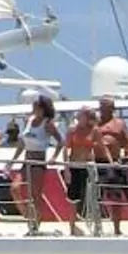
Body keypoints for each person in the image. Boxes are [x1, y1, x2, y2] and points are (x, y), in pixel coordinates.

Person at [91, 96, 128, 234]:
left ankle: (117, 228)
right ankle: (97, 227)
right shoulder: (95, 123)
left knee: (115, 195)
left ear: (111, 108)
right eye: (101, 106)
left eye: (105, 106)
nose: (102, 109)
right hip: (96, 162)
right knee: (95, 195)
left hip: (113, 162)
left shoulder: (119, 123)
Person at [16, 93, 63, 230]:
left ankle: (35, 223)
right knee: (15, 188)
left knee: (35, 195)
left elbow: (60, 141)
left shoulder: (48, 124)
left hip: (38, 161)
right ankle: (28, 216)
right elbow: (22, 142)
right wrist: (13, 160)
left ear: (42, 108)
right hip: (26, 160)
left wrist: (54, 157)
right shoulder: (29, 120)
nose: (33, 106)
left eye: (36, 105)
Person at [63, 107, 100, 230]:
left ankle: (96, 226)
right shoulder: (72, 130)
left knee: (92, 196)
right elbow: (66, 149)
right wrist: (66, 168)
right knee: (74, 199)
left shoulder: (93, 130)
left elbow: (100, 146)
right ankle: (72, 228)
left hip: (88, 166)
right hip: (74, 165)